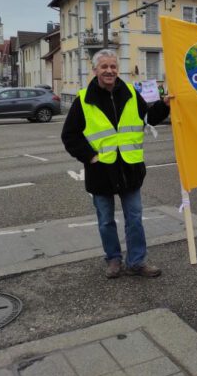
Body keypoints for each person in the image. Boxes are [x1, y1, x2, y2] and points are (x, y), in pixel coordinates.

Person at [62, 49, 171, 278]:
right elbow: (70, 135)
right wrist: (90, 156)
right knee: (105, 221)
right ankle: (113, 259)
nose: (109, 71)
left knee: (134, 218)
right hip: (100, 171)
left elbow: (149, 119)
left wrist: (164, 105)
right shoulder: (83, 99)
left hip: (129, 169)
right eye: (104, 67)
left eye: (113, 66)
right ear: (95, 70)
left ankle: (137, 261)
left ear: (117, 69)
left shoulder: (131, 92)